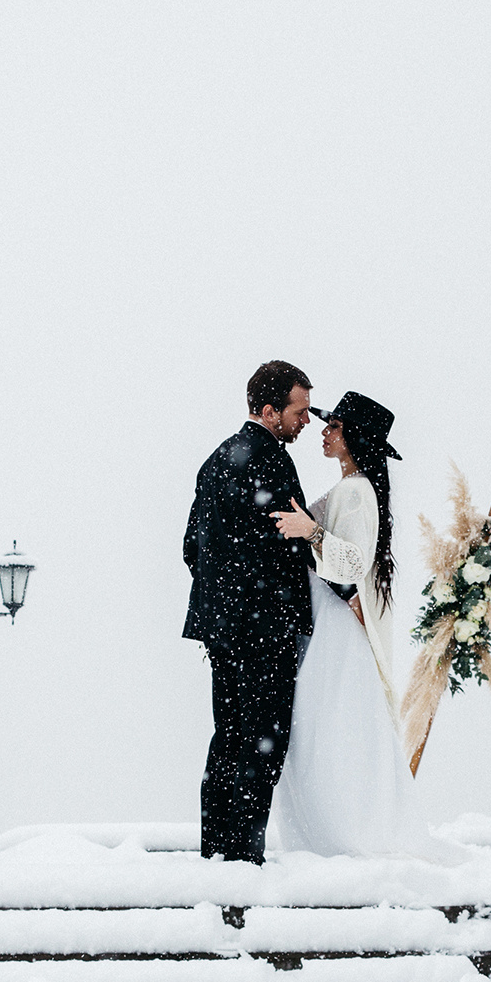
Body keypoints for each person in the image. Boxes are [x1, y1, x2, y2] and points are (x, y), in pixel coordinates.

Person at [267, 391, 447, 858]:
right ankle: (341, 831)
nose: (324, 432)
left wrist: (308, 530)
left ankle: (340, 835)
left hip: (334, 625)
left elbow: (350, 562)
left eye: (335, 428)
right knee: (331, 730)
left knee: (325, 730)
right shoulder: (354, 487)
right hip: (330, 617)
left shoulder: (355, 490)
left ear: (354, 439)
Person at [183, 360, 316, 863]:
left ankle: (216, 850)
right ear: (269, 410)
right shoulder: (271, 462)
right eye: (299, 411)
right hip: (264, 628)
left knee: (229, 735)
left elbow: (190, 548)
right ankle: (244, 856)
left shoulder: (217, 461)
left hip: (223, 629)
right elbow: (287, 543)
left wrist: (224, 600)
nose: (306, 421)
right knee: (264, 740)